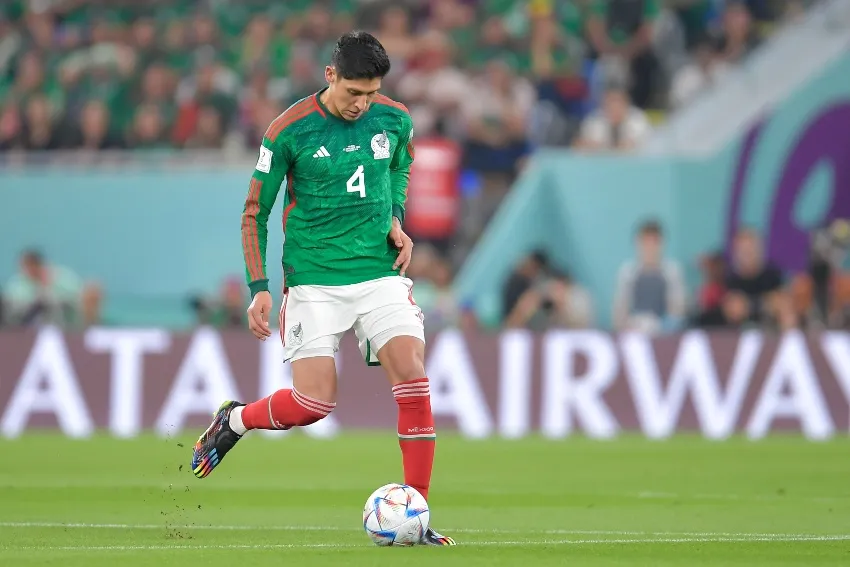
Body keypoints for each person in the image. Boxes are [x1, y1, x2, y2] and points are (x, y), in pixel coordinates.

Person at [189, 31, 455, 547]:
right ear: (330, 75)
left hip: (379, 270)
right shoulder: (289, 130)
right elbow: (254, 213)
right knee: (314, 405)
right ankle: (237, 420)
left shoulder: (395, 119)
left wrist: (397, 217)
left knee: (414, 377)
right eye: (354, 92)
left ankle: (417, 514)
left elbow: (400, 168)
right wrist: (259, 286)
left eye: (371, 93)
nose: (362, 104)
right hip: (313, 279)